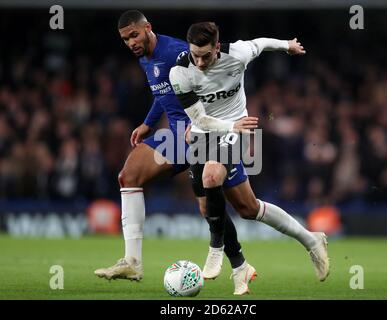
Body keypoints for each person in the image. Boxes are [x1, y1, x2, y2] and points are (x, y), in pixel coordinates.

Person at [94, 11, 257, 292]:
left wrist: (218, 123)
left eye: (134, 35)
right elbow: (165, 94)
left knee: (246, 207)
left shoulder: (177, 52)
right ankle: (132, 260)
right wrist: (147, 124)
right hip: (174, 135)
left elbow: (211, 81)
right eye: (125, 39)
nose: (131, 42)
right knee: (129, 176)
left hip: (198, 136)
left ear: (148, 28)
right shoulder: (146, 59)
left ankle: (246, 261)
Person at [169, 21, 330, 294]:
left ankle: (215, 247)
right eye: (194, 55)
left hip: (237, 127)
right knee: (241, 208)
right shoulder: (180, 73)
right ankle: (306, 241)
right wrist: (226, 127)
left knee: (211, 176)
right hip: (204, 131)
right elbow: (200, 119)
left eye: (205, 56)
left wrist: (286, 45)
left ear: (217, 48)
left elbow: (261, 42)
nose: (199, 62)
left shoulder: (238, 54)